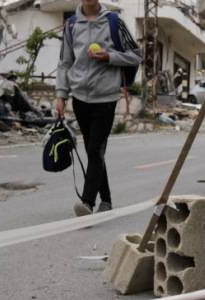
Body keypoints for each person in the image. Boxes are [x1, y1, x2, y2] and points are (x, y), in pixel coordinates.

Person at [56, 0, 141, 216]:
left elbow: (136, 55)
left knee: (94, 150)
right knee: (94, 151)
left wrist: (109, 56)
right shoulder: (72, 24)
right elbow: (65, 63)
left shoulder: (114, 22)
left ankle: (87, 203)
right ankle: (107, 199)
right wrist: (61, 95)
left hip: (105, 97)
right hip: (80, 98)